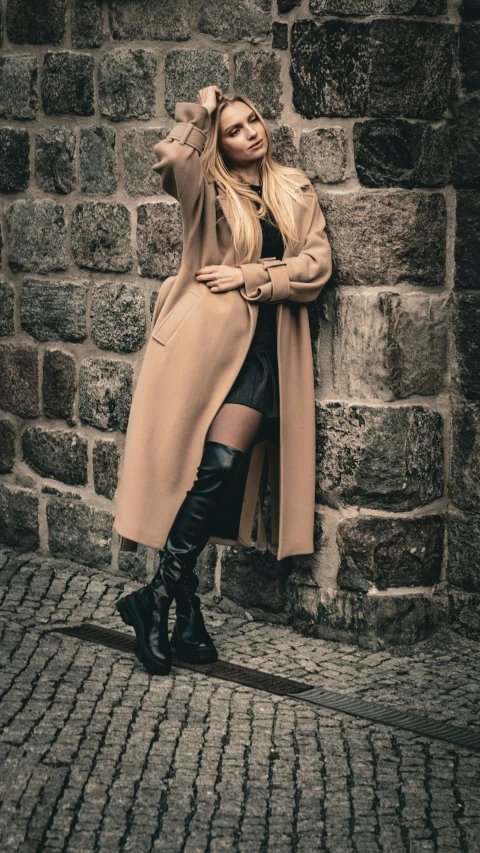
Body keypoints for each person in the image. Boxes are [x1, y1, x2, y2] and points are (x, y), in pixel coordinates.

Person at [114, 85, 332, 677]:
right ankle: (181, 606)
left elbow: (315, 267)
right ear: (221, 141)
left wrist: (248, 275)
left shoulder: (295, 189)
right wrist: (202, 114)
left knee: (220, 469)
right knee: (193, 470)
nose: (250, 133)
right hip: (200, 351)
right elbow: (175, 159)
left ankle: (154, 598)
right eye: (233, 129)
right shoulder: (207, 191)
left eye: (253, 121)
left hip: (264, 354)